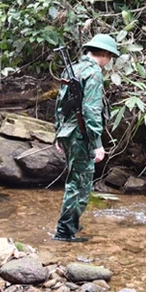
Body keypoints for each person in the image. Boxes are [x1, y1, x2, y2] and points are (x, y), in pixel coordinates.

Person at [53, 34, 119, 243]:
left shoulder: (72, 68)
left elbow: (60, 105)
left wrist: (58, 133)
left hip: (68, 133)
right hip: (81, 136)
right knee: (80, 185)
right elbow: (91, 110)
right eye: (110, 57)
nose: (109, 61)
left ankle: (71, 223)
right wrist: (97, 143)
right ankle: (64, 232)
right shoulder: (94, 73)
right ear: (105, 54)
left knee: (75, 179)